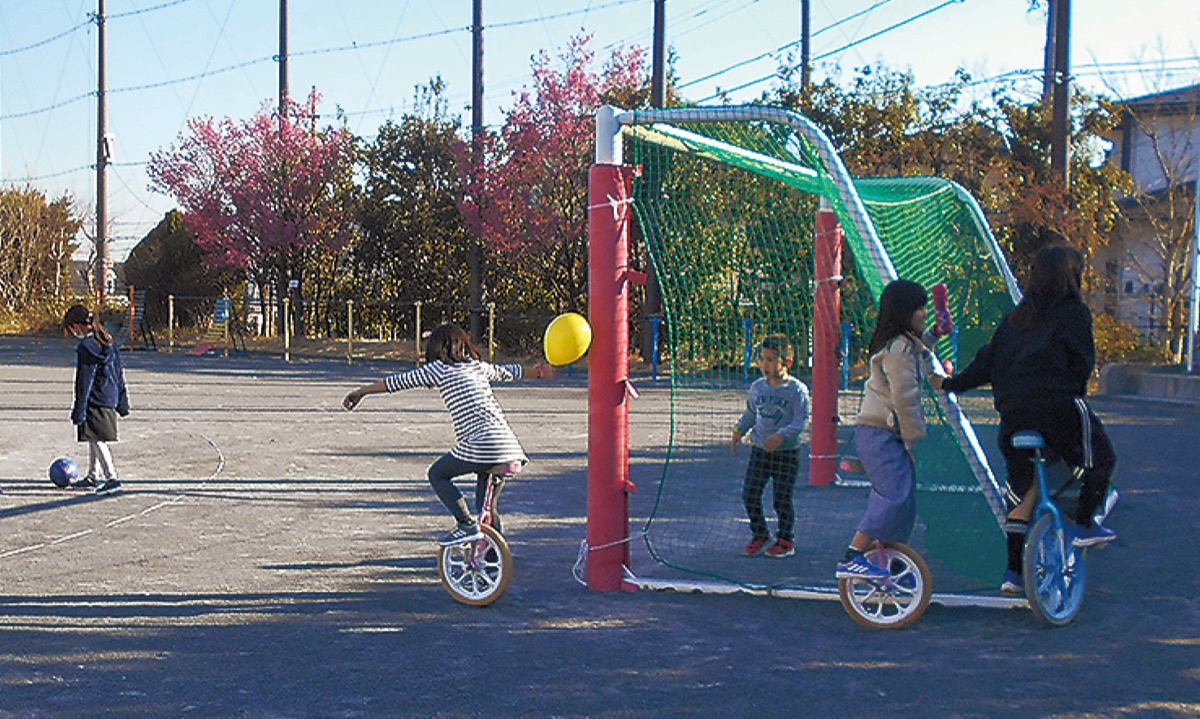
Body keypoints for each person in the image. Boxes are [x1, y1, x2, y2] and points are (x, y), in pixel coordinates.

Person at [930, 243, 1117, 595]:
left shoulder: (1017, 318)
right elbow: (1083, 364)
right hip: (1058, 407)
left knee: (1022, 494)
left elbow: (987, 362)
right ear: (1071, 277)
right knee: (1101, 459)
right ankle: (1085, 525)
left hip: (1014, 415)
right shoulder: (1074, 312)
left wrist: (951, 384)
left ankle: (1013, 574)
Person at [342, 323, 551, 545]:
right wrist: (539, 372)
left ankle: (464, 523)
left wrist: (361, 391)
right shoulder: (478, 366)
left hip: (481, 444)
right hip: (509, 448)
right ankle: (492, 561)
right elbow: (511, 372)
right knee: (487, 510)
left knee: (437, 475)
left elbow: (395, 383)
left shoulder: (439, 369)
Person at [835, 280, 941, 580]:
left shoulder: (904, 346)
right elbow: (904, 398)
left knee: (905, 501)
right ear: (904, 312)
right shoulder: (898, 350)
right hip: (879, 434)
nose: (924, 313)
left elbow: (917, 357)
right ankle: (853, 555)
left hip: (885, 434)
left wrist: (933, 335)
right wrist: (912, 439)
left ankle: (889, 556)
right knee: (894, 495)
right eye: (920, 308)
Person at [732, 334, 811, 558]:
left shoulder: (797, 390)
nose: (764, 365)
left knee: (781, 498)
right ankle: (760, 534)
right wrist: (739, 430)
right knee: (750, 494)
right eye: (762, 359)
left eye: (770, 360)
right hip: (760, 452)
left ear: (786, 363)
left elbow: (800, 420)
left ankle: (785, 540)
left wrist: (781, 435)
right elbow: (750, 413)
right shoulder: (757, 388)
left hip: (787, 453)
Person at [63, 304, 130, 495]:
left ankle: (112, 477)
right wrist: (122, 400)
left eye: (70, 329)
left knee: (98, 439)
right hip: (109, 397)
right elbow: (118, 372)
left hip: (95, 398)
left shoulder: (86, 347)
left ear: (77, 326)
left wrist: (79, 408)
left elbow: (85, 380)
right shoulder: (108, 340)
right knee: (92, 437)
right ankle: (93, 475)